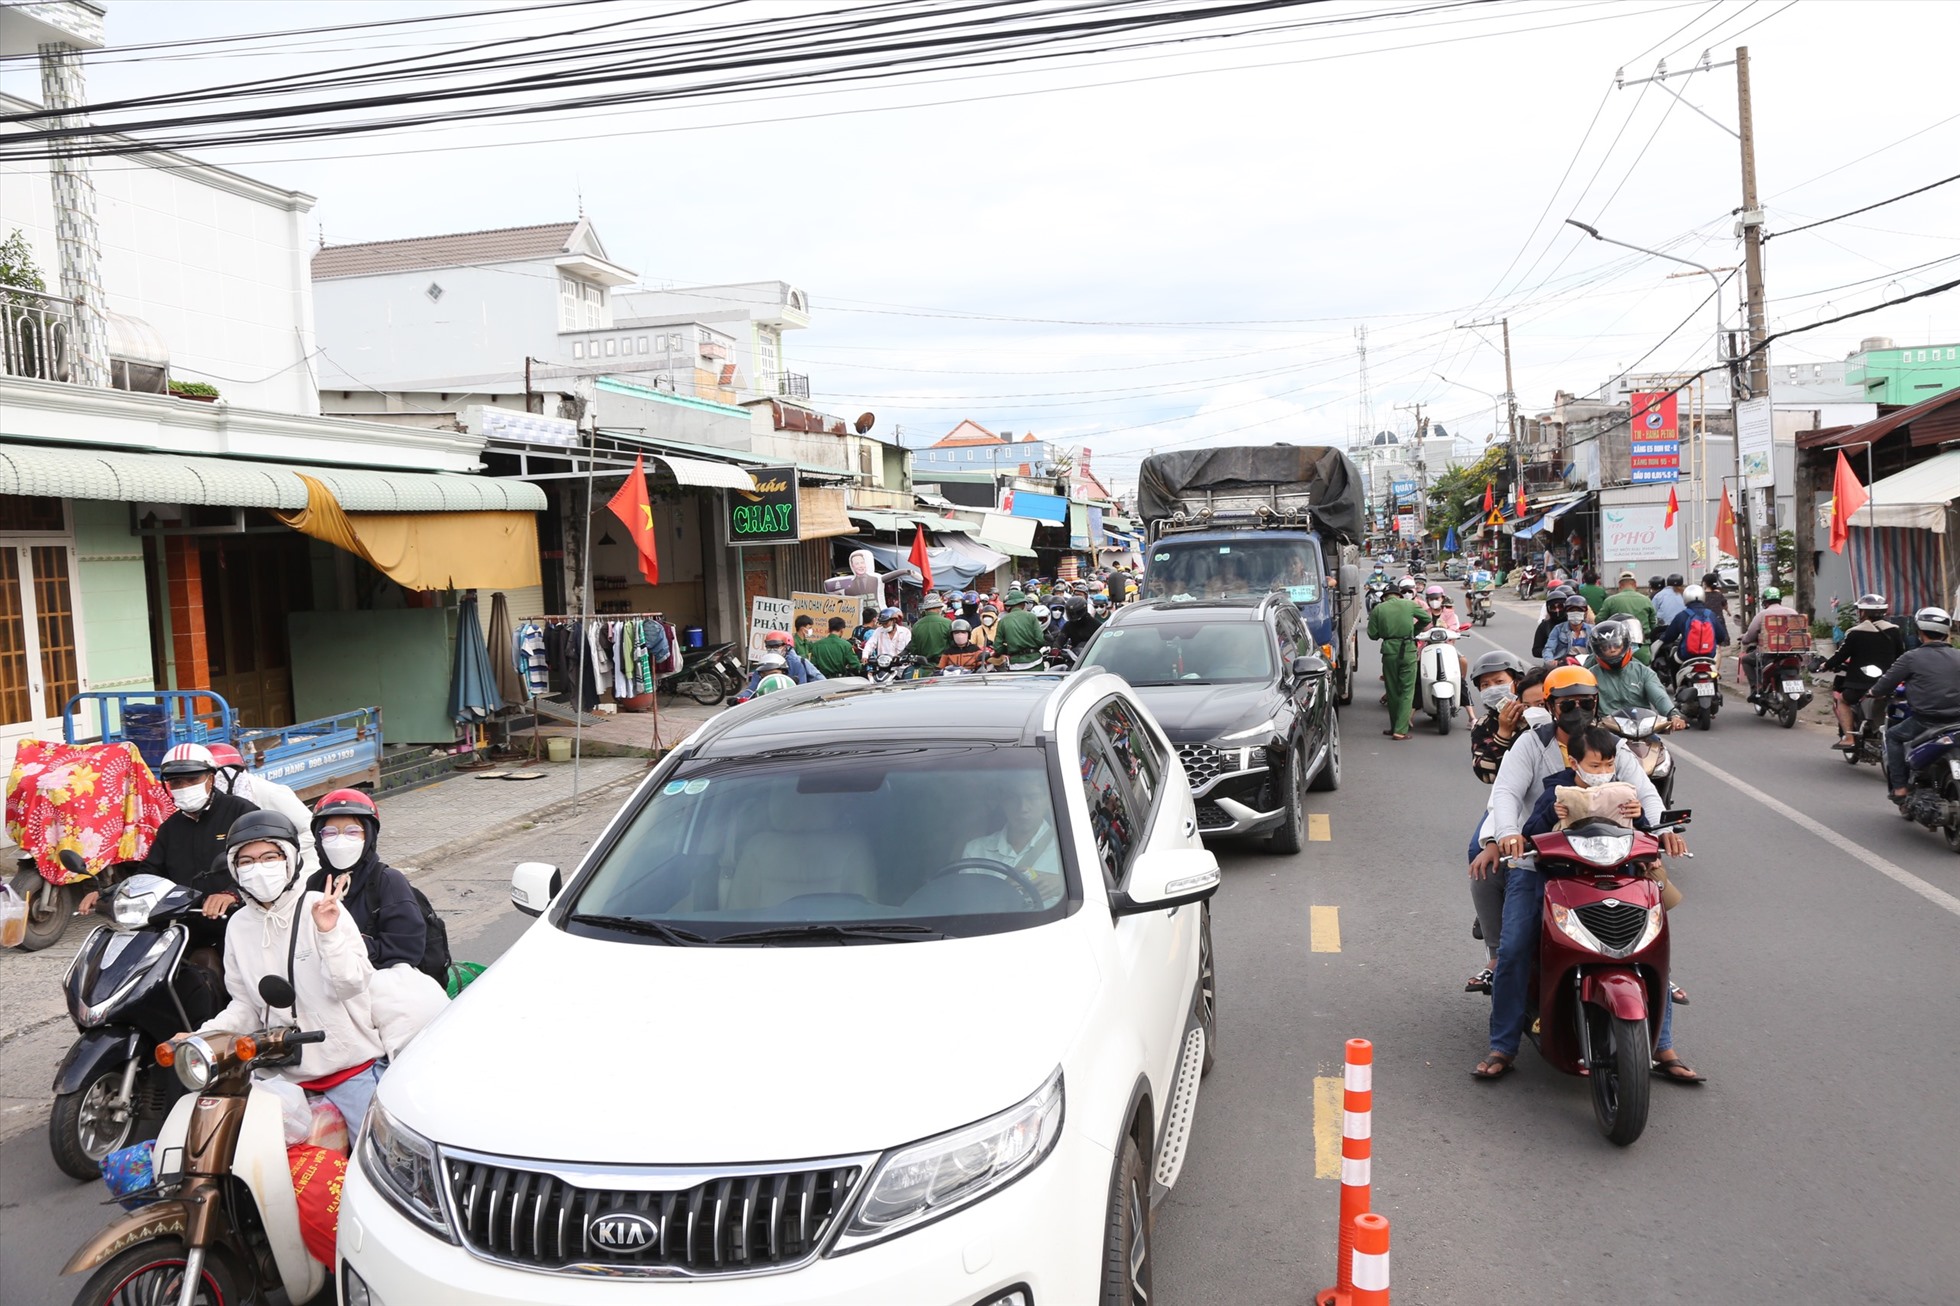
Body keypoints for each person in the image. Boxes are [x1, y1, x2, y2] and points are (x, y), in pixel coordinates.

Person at [1476, 668, 1699, 1083]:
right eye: (1567, 704)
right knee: (1515, 948)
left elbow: (1645, 792)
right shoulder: (1530, 744)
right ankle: (1503, 1044)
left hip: (1612, 862)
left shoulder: (1612, 745)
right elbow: (1505, 793)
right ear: (1549, 706)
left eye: (1585, 703)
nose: (1577, 711)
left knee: (1652, 947)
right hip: (1542, 863)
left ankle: (1663, 1043)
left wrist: (1663, 829)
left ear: (1596, 706)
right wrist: (1508, 834)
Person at [192, 809, 389, 1138]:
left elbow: (351, 984)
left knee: (380, 1157)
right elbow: (245, 1006)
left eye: (270, 856)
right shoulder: (239, 925)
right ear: (234, 869)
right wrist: (202, 1036)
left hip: (346, 1065)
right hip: (280, 1072)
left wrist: (328, 935)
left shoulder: (322, 906)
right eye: (246, 861)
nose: (259, 868)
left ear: (290, 861)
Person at [77, 742, 257, 918]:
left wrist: (231, 894)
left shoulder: (242, 813)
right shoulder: (170, 828)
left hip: (239, 917)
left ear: (210, 779)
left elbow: (261, 866)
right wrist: (109, 893)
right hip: (187, 920)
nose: (184, 787)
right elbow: (149, 873)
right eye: (176, 782)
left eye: (193, 779)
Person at [305, 789, 426, 971]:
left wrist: (342, 943)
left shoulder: (388, 881)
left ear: (369, 836)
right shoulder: (316, 883)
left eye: (352, 831)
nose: (340, 840)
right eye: (330, 833)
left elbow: (406, 950)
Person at [1870, 607, 1960, 805]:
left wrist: (1873, 692)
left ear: (1919, 632)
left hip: (1926, 721)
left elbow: (1884, 685)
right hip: (1957, 722)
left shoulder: (1911, 658)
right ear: (1946, 632)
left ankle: (1900, 787)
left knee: (1893, 737)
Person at [208, 743, 319, 874]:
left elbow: (311, 829)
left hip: (299, 871)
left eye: (217, 778)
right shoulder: (220, 802)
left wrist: (279, 853)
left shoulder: (270, 792)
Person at [962, 772, 1065, 906]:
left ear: (1048, 801)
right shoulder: (975, 850)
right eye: (1013, 798)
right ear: (1003, 802)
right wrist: (1001, 891)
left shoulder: (1068, 850)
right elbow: (966, 904)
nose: (1023, 808)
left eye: (1032, 797)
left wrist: (1063, 884)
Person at [1821, 593, 1905, 748]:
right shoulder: (1894, 631)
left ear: (1863, 612)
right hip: (1889, 683)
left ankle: (1849, 738)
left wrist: (1824, 666)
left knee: (1843, 700)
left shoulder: (1855, 632)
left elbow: (1841, 655)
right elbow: (1901, 656)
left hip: (1860, 683)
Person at [1585, 620, 1686, 727]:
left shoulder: (1643, 672)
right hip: (1606, 732)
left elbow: (1660, 697)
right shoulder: (1589, 676)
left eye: (1616, 645)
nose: (1612, 650)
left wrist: (1673, 715)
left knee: (1658, 744)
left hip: (1642, 729)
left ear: (1625, 644)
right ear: (1598, 650)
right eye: (1605, 647)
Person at [1367, 580, 1430, 740]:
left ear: (1384, 597)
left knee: (1392, 690)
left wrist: (1386, 632)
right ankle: (1400, 730)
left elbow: (1372, 635)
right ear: (1399, 595)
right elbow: (1426, 619)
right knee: (1407, 690)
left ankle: (1395, 726)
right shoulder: (1408, 604)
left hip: (1389, 651)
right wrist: (1412, 631)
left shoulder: (1378, 609)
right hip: (1408, 649)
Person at [1739, 586, 1800, 700]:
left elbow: (1750, 635)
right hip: (1792, 652)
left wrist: (1744, 639)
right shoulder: (1792, 612)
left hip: (1769, 653)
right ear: (1780, 600)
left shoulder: (1763, 614)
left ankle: (1756, 688)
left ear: (1765, 602)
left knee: (1746, 660)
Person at [1660, 583, 1730, 671]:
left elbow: (1670, 636)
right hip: (1709, 654)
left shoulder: (1682, 615)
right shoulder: (1710, 614)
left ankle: (1676, 684)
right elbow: (1721, 636)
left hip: (1687, 654)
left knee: (1673, 661)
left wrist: (1663, 638)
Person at [1599, 569, 1660, 664]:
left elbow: (1599, 621)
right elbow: (1653, 625)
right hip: (1642, 648)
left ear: (1620, 586)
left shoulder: (1610, 601)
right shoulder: (1646, 600)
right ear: (1635, 585)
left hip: (1617, 648)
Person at [994, 590, 1047, 664]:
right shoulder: (1031, 617)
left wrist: (1010, 649)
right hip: (1035, 661)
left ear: (1010, 604)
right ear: (1023, 604)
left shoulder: (1003, 621)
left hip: (1015, 663)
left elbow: (997, 647)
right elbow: (1040, 640)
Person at [1543, 593, 1594, 662]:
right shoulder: (1558, 629)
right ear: (1566, 613)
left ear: (1585, 613)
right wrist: (1550, 661)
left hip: (1587, 664)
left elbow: (1599, 649)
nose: (1575, 613)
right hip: (1565, 664)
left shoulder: (1592, 630)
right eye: (1572, 611)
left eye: (1579, 611)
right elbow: (1549, 648)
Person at [909, 594, 955, 661]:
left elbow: (914, 649)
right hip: (943, 665)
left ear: (925, 609)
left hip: (923, 666)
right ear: (939, 608)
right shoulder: (948, 623)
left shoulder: (916, 625)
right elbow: (953, 645)